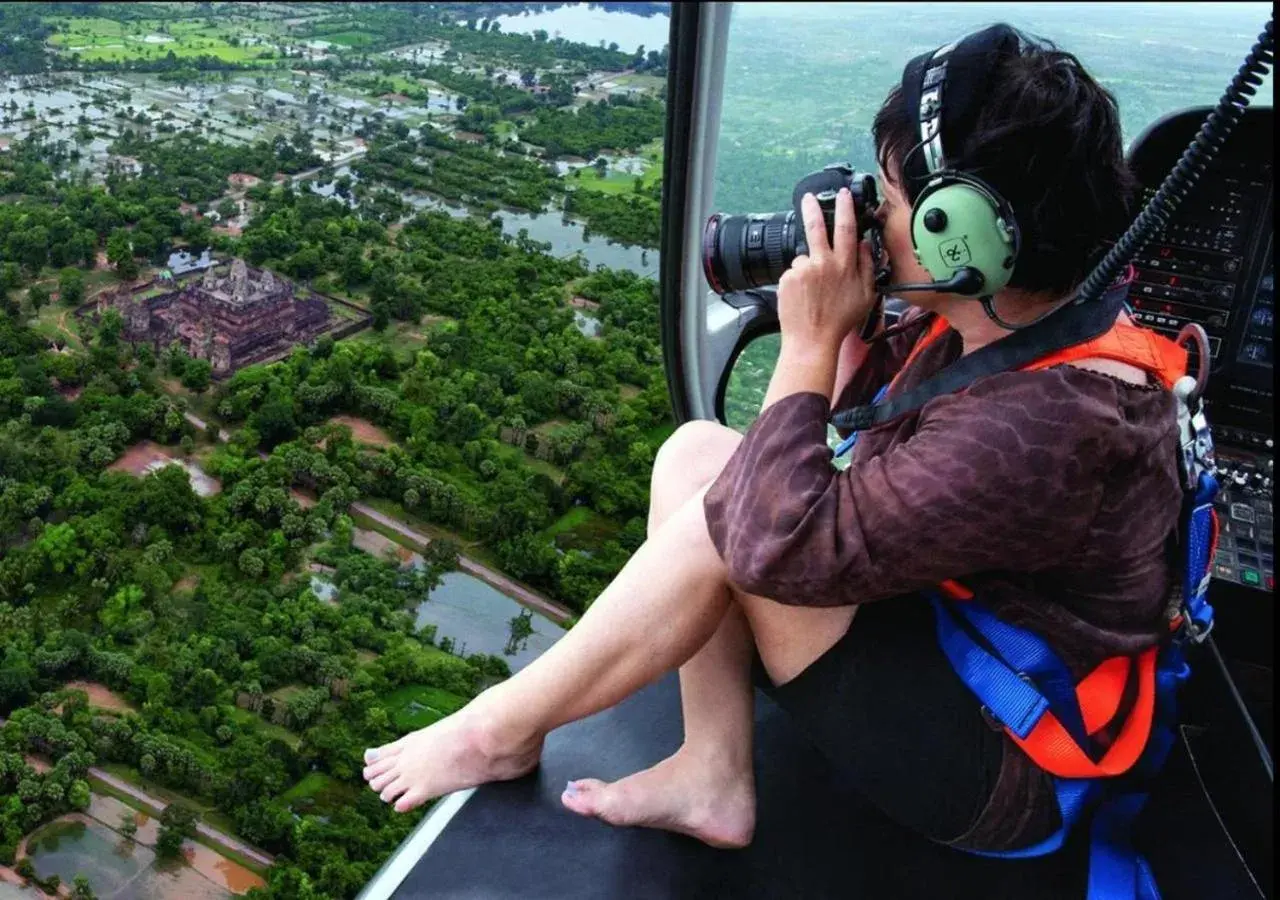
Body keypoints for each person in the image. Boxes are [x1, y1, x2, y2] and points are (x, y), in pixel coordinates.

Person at [362, 26, 1178, 856]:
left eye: (890, 204)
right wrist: (856, 333)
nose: (870, 218)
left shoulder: (1038, 428)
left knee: (736, 509)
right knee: (696, 453)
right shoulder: (1031, 320)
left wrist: (808, 343)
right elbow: (864, 439)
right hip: (970, 641)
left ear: (958, 233)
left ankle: (498, 732)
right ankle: (710, 772)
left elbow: (772, 546)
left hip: (1007, 759)